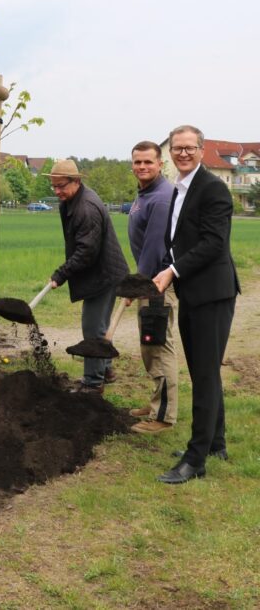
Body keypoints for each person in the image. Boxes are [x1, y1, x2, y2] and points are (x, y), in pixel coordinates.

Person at [153, 125, 240, 484]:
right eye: (177, 148)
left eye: (190, 148)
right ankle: (214, 443)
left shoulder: (214, 189)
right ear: (171, 151)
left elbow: (213, 244)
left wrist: (172, 271)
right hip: (193, 291)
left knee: (203, 375)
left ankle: (196, 458)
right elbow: (179, 240)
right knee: (204, 371)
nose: (183, 153)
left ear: (202, 150)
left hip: (212, 294)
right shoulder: (182, 187)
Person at [48, 159, 129, 394]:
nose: (57, 191)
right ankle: (106, 369)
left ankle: (93, 383)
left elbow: (87, 252)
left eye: (61, 186)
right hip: (101, 272)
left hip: (104, 275)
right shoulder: (73, 199)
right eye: (53, 186)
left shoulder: (86, 208)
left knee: (93, 328)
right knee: (99, 326)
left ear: (77, 181)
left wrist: (61, 274)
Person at [126, 141, 178, 434]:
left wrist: (139, 285)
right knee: (150, 345)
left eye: (148, 162)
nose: (142, 167)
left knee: (159, 346)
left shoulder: (160, 198)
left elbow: (155, 246)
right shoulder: (146, 193)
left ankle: (163, 417)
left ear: (160, 164)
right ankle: (157, 401)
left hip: (158, 284)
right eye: (137, 162)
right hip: (150, 281)